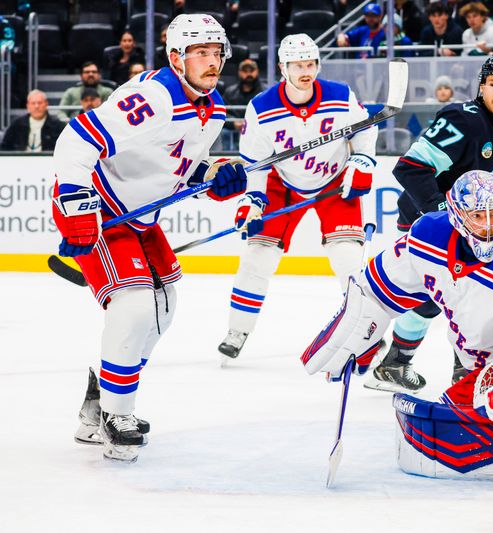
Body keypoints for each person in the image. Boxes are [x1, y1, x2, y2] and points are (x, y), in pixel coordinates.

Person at [301, 171, 493, 471]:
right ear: (456, 214)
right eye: (478, 215)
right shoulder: (427, 238)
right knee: (446, 427)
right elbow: (375, 290)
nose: (489, 225)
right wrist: (362, 326)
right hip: (484, 370)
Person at [55, 14, 247, 462]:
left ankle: (97, 402)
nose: (212, 61)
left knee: (164, 307)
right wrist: (76, 213)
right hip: (100, 210)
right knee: (136, 305)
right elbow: (76, 142)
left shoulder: (213, 106)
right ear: (177, 57)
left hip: (140, 219)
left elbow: (176, 164)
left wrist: (213, 176)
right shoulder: (153, 96)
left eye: (217, 52)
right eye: (201, 52)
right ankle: (115, 416)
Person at [364, 54, 493, 393]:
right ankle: (453, 370)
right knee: (454, 294)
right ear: (481, 87)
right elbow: (410, 168)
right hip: (427, 223)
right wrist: (446, 216)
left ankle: (399, 364)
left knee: (449, 296)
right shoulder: (463, 120)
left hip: (467, 227)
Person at [217, 34, 378, 361]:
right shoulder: (262, 107)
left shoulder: (339, 95)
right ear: (282, 68)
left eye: (310, 64)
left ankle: (365, 331)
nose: (306, 71)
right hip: (282, 182)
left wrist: (362, 160)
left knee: (347, 259)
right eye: (297, 65)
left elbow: (365, 127)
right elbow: (255, 162)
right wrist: (253, 199)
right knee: (256, 258)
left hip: (333, 181)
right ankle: (238, 330)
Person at [1, 89, 65, 151]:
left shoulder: (58, 125)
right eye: (33, 103)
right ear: (27, 106)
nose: (36, 106)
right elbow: (4, 147)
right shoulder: (17, 124)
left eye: (40, 103)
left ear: (46, 104)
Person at [222, 58, 263, 149]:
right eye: (245, 71)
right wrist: (234, 123)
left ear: (257, 71)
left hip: (258, 131)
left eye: (251, 70)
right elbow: (222, 113)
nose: (248, 74)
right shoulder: (230, 92)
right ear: (239, 72)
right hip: (235, 132)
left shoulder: (264, 92)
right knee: (225, 131)